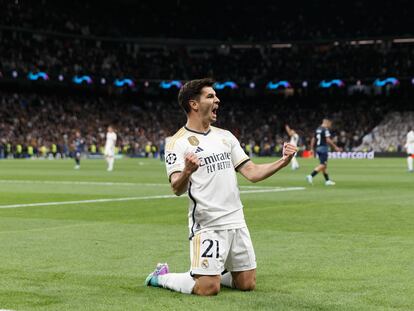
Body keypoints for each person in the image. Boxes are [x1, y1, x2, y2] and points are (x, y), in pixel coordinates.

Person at [144, 78, 297, 296]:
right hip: (207, 223)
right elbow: (176, 188)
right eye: (210, 96)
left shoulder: (225, 136)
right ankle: (161, 277)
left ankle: (213, 269)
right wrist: (187, 171)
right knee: (208, 288)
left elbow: (252, 173)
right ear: (194, 104)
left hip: (236, 220)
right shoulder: (177, 142)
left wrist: (282, 162)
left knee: (247, 283)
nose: (217, 99)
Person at [306, 118, 341, 185]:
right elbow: (328, 140)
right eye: (330, 124)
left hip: (318, 148)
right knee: (323, 165)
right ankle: (311, 176)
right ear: (326, 123)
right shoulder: (325, 130)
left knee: (324, 166)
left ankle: (327, 181)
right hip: (323, 148)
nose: (330, 125)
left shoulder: (318, 129)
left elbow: (313, 139)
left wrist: (311, 148)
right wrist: (335, 147)